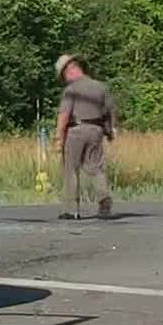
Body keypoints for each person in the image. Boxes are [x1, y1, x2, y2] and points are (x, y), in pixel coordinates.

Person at [54, 54, 117, 220]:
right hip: (97, 130)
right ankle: (104, 203)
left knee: (71, 169)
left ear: (69, 70)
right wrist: (109, 131)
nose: (65, 79)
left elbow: (64, 115)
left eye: (64, 76)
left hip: (76, 130)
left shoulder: (71, 90)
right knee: (96, 168)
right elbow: (109, 111)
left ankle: (71, 209)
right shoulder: (100, 87)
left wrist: (59, 138)